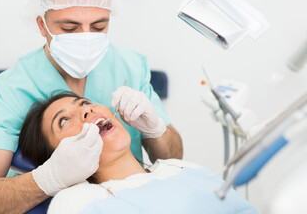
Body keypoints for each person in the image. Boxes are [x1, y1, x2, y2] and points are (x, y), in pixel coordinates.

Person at [0, 0, 183, 213]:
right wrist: (48, 179)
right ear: (42, 25)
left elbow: (174, 158)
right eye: (69, 27)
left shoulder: (130, 66)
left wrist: (155, 129)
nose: (85, 37)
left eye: (99, 26)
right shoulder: (12, 89)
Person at [18, 91, 258, 214]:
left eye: (84, 103)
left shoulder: (182, 169)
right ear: (58, 156)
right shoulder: (75, 202)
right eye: (63, 121)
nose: (87, 111)